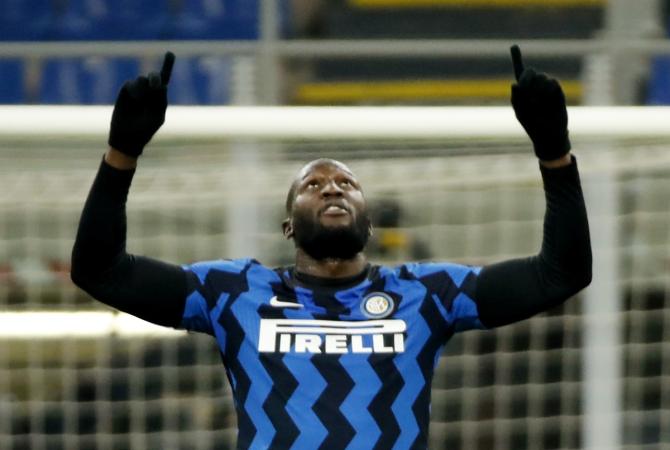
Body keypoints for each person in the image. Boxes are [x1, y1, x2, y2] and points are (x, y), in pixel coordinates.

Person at [71, 46, 592, 449]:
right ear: (288, 227)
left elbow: (561, 273)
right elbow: (101, 272)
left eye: (347, 183)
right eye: (311, 185)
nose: (332, 187)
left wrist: (555, 155)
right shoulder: (232, 291)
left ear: (368, 225)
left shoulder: (427, 293)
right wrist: (122, 153)